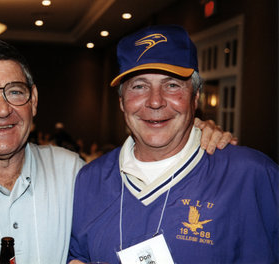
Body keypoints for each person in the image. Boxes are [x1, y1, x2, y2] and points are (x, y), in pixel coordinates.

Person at [0, 39, 233, 264]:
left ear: (33, 101)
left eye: (15, 92)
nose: (1, 109)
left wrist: (194, 131)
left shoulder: (73, 172)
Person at [67, 25, 278, 264]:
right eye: (139, 86)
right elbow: (76, 255)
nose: (155, 101)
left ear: (195, 97)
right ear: (122, 102)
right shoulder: (89, 180)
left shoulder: (251, 175)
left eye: (172, 85)